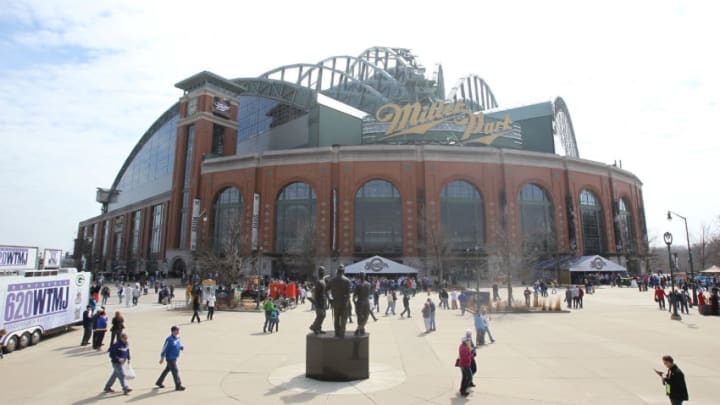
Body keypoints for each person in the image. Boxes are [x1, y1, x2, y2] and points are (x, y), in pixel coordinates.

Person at [156, 326, 186, 391]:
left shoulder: (177, 338)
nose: (178, 331)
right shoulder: (169, 339)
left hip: (175, 357)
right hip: (170, 358)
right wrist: (162, 357)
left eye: (178, 330)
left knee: (167, 370)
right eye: (177, 330)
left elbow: (177, 344)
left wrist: (180, 347)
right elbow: (164, 348)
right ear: (173, 331)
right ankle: (178, 385)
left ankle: (159, 382)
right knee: (175, 371)